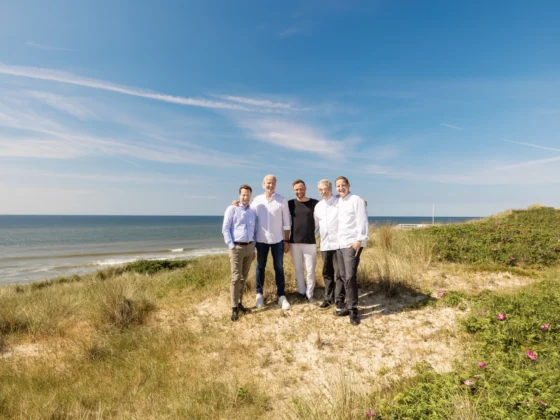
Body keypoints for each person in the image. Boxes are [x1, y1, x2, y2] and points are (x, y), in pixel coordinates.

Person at [252, 175, 291, 310]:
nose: (271, 185)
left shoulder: (282, 200)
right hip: (261, 240)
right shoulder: (257, 200)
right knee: (260, 267)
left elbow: (286, 223)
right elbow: (249, 215)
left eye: (273, 183)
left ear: (276, 184)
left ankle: (281, 296)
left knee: (279, 267)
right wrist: (237, 204)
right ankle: (259, 295)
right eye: (268, 183)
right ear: (263, 184)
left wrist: (286, 241)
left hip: (278, 240)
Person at [334, 176, 369, 325]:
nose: (341, 188)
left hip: (352, 244)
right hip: (339, 244)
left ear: (349, 185)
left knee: (350, 277)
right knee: (343, 276)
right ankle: (348, 307)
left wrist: (359, 240)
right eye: (338, 186)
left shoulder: (356, 200)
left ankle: (354, 309)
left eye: (343, 185)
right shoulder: (338, 202)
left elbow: (362, 220)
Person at [222, 184, 257, 321]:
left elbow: (253, 231)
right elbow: (225, 228)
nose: (245, 197)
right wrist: (231, 246)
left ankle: (240, 303)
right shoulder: (232, 209)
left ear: (250, 196)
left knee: (243, 278)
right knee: (236, 278)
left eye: (248, 195)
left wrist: (253, 249)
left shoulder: (252, 212)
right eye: (243, 194)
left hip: (249, 248)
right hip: (236, 248)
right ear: (239, 195)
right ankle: (234, 308)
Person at [313, 179, 345, 310]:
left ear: (330, 189)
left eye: (325, 189)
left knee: (339, 273)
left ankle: (339, 300)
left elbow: (355, 202)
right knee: (327, 272)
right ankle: (328, 298)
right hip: (325, 244)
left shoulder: (340, 201)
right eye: (320, 190)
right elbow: (315, 226)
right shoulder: (318, 206)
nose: (323, 192)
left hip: (338, 244)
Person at [288, 180, 319, 303]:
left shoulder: (315, 203)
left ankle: (310, 293)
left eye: (301, 188)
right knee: (298, 268)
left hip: (310, 241)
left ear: (305, 188)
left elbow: (327, 208)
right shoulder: (290, 204)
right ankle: (301, 291)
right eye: (296, 189)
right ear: (293, 190)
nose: (299, 191)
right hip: (294, 242)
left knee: (310, 269)